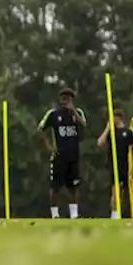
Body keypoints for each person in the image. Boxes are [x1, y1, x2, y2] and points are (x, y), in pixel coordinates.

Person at [39, 88, 87, 219]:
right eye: (64, 98)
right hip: (59, 156)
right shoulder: (53, 114)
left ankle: (74, 214)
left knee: (73, 186)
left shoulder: (78, 113)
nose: (66, 100)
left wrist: (74, 112)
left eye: (69, 98)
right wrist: (49, 146)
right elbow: (41, 129)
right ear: (60, 100)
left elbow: (83, 126)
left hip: (73, 155)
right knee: (55, 186)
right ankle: (55, 214)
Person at [95, 109, 133, 219]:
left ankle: (131, 213)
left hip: (126, 165)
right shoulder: (111, 132)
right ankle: (114, 214)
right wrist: (107, 128)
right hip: (114, 165)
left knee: (128, 192)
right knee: (115, 191)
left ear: (118, 118)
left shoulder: (128, 132)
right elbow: (100, 143)